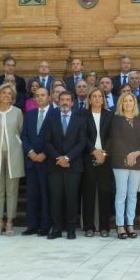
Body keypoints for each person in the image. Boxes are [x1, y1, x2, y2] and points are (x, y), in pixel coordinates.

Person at [43, 91, 87, 240]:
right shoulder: (50, 118)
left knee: (72, 198)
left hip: (73, 165)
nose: (65, 102)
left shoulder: (80, 120)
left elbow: (81, 143)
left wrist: (67, 157)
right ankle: (56, 228)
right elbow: (47, 142)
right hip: (54, 164)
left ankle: (71, 229)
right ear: (58, 101)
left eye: (68, 100)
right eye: (62, 99)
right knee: (55, 198)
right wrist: (58, 157)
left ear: (72, 102)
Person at [0, 84, 24, 236]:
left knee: (12, 190)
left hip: (14, 154)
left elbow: (19, 131)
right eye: (4, 93)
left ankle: (9, 222)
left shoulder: (18, 112)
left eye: (10, 93)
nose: (7, 95)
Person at [108, 92, 140, 239]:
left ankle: (130, 224)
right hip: (120, 161)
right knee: (121, 194)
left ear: (134, 103)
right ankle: (120, 225)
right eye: (125, 101)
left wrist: (136, 153)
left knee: (132, 195)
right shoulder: (117, 119)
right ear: (121, 104)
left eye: (131, 101)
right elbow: (116, 140)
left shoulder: (139, 120)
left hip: (137, 161)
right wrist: (128, 155)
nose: (128, 103)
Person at [81, 87, 113, 237]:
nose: (97, 99)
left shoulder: (109, 115)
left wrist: (104, 153)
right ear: (89, 99)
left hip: (105, 158)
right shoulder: (83, 115)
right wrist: (94, 151)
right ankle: (88, 226)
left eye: (100, 96)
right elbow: (82, 136)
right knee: (88, 192)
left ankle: (104, 226)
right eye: (94, 96)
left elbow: (112, 136)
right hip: (89, 157)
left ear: (103, 99)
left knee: (105, 192)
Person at [21, 87, 53, 237]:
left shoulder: (55, 114)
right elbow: (24, 137)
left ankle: (45, 226)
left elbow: (56, 138)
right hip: (31, 161)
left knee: (46, 195)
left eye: (43, 95)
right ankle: (31, 225)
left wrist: (45, 153)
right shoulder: (29, 115)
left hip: (47, 161)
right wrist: (31, 153)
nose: (40, 98)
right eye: (37, 96)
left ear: (49, 97)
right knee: (32, 195)